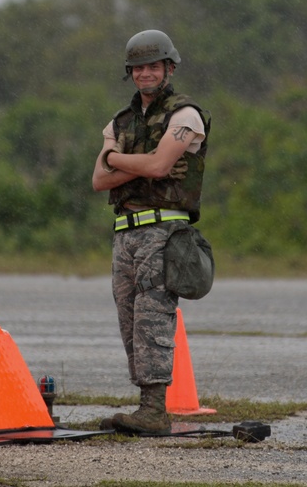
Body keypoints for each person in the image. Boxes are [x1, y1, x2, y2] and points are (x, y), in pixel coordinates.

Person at [91, 29, 211, 434]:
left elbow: (160, 167)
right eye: (138, 67)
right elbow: (98, 180)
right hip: (125, 231)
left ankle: (155, 410)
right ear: (130, 72)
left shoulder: (185, 115)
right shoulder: (120, 121)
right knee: (129, 320)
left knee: (153, 316)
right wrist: (130, 161)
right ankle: (146, 405)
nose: (145, 73)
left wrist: (115, 158)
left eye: (153, 66)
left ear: (169, 68)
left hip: (164, 230)